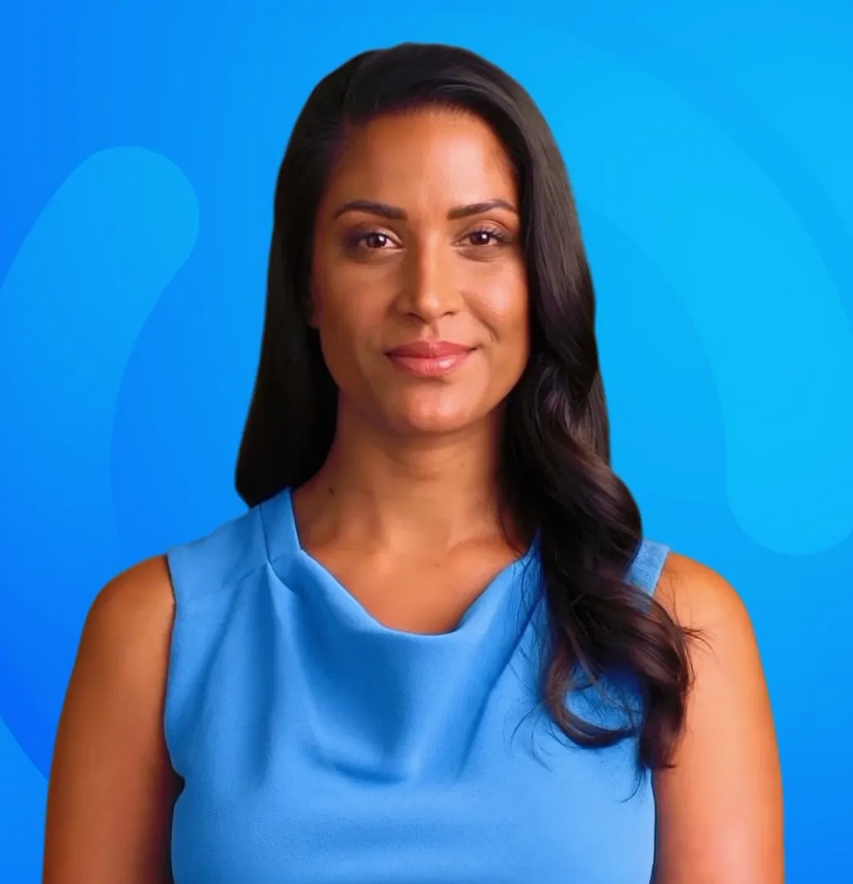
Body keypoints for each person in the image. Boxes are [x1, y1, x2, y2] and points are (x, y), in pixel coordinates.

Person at [43, 42, 784, 884]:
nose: (428, 295)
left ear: (540, 279)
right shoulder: (156, 627)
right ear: (307, 286)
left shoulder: (679, 626)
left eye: (481, 236)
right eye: (374, 239)